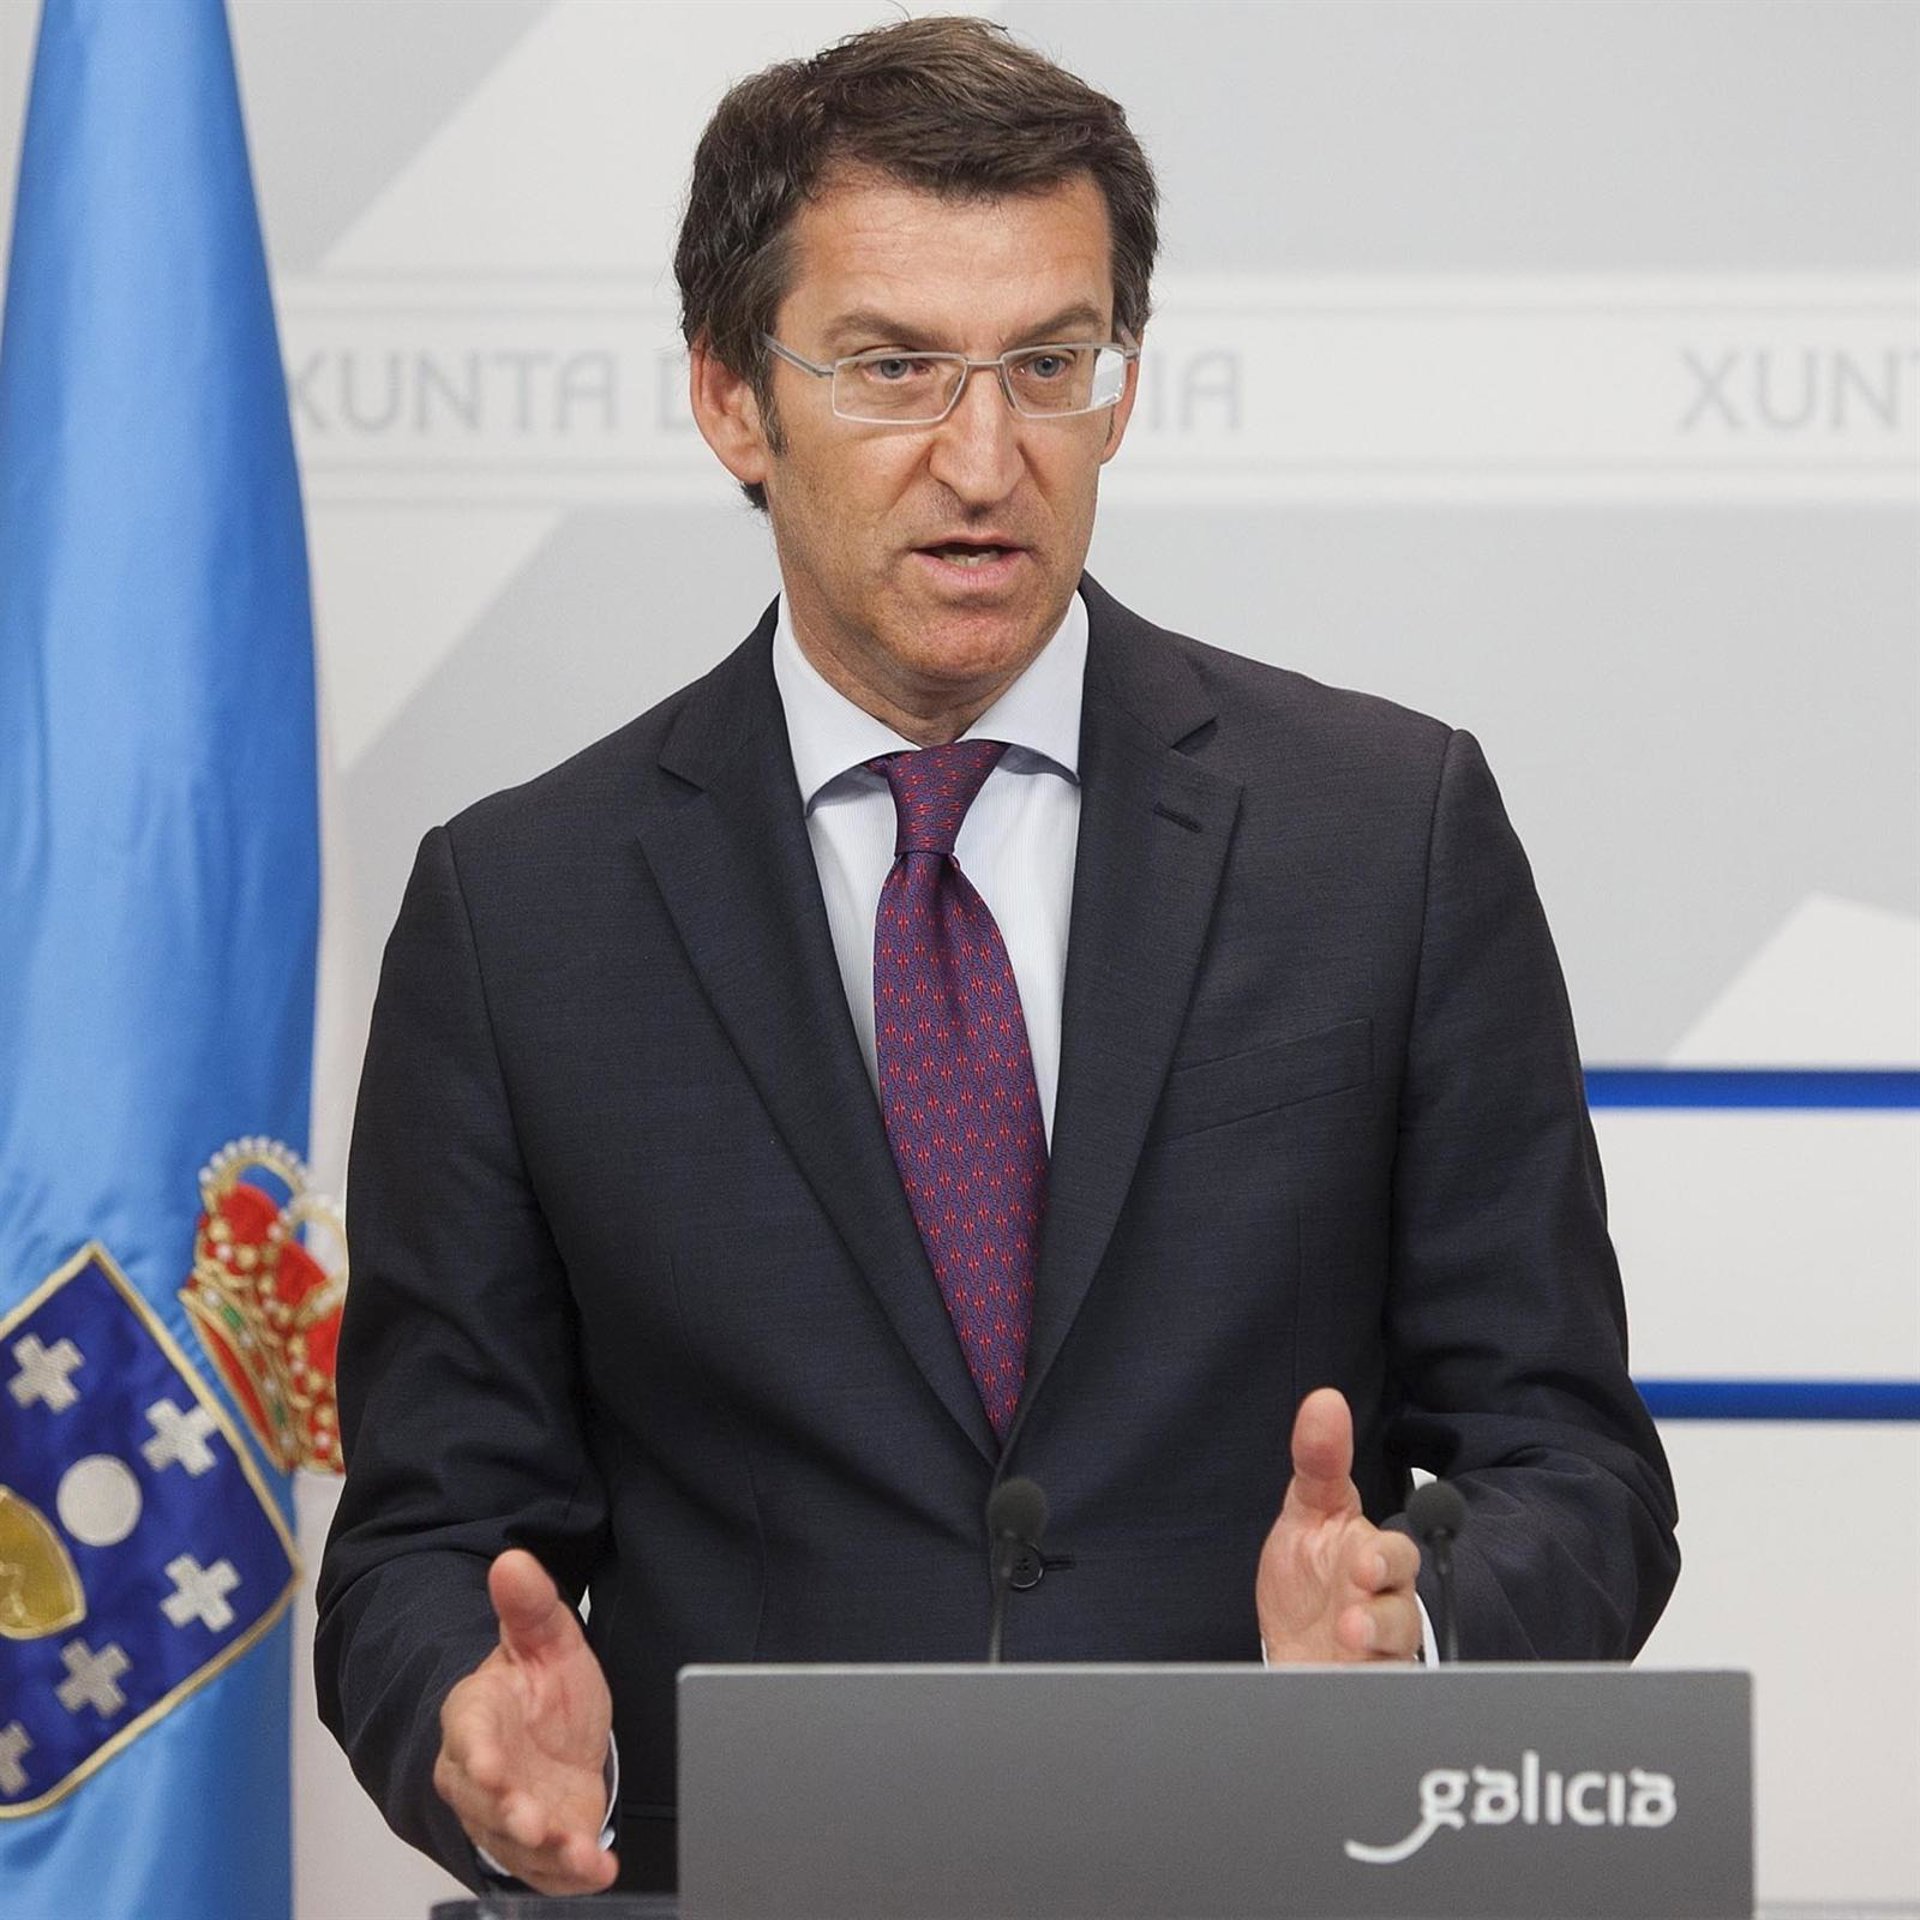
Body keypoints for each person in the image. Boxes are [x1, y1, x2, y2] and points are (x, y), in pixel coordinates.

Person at [315, 16, 1678, 1899]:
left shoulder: (1386, 834)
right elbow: (423, 1540)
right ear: (731, 397)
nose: (986, 456)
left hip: (1270, 1879)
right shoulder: (517, 910)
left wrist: (1417, 1640)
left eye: (1050, 363)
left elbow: (1574, 1461)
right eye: (895, 368)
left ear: (1120, 388)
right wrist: (500, 1738)